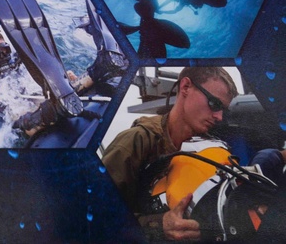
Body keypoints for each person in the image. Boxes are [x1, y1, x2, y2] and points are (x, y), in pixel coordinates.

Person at [100, 67, 286, 240]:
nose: (219, 117)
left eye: (223, 109)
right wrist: (158, 225)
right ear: (186, 87)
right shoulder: (135, 143)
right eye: (214, 104)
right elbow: (96, 217)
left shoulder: (213, 143)